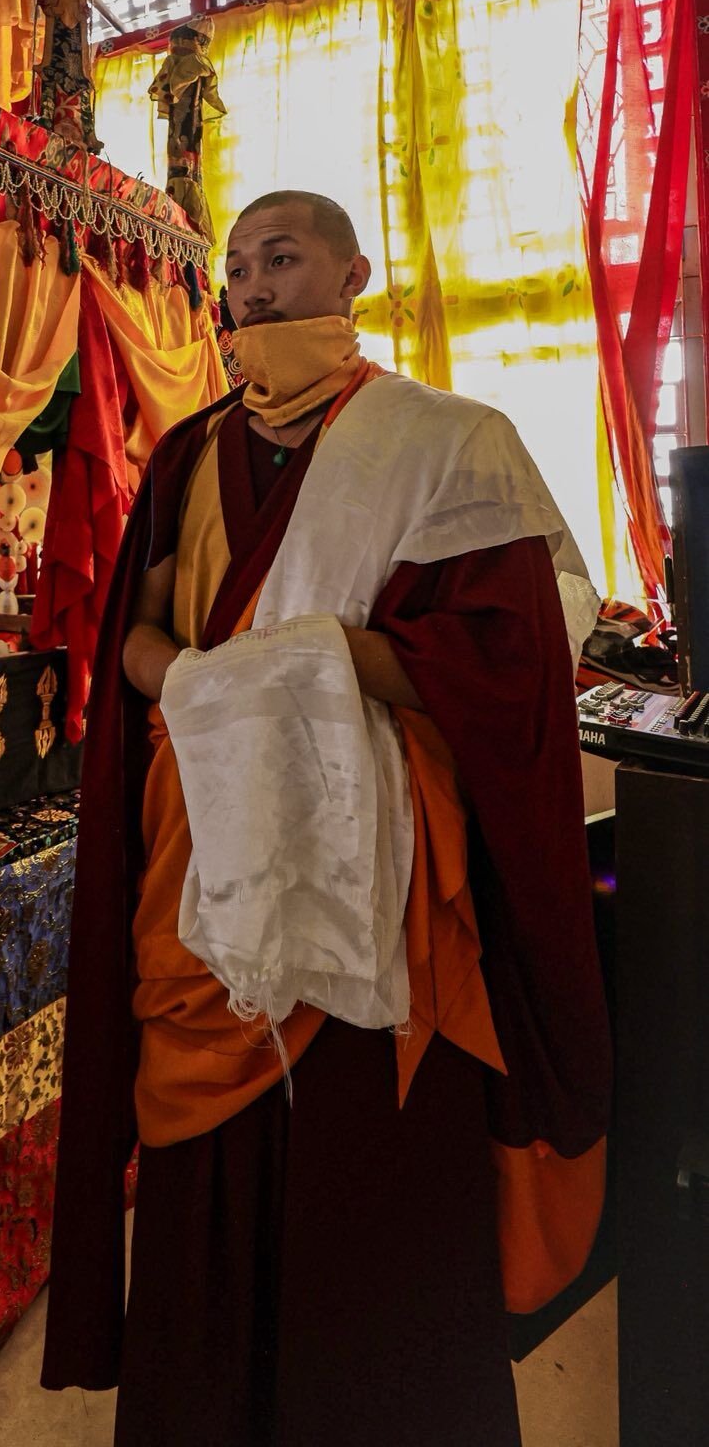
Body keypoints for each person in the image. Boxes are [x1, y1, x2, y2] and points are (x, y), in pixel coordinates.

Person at [42, 190, 611, 1446]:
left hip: (377, 877)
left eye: (282, 258)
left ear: (352, 272)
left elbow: (511, 667)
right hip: (202, 859)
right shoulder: (187, 455)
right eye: (238, 266)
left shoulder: (449, 444)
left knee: (369, 1189)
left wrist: (322, 656)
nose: (251, 285)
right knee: (205, 1184)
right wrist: (207, 682)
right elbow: (137, 637)